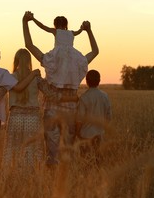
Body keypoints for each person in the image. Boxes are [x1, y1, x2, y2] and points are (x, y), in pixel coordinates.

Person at [0, 49, 77, 175]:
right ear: (29, 61)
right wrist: (72, 98)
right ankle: (31, 180)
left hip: (15, 118)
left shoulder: (10, 78)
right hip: (33, 118)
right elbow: (52, 96)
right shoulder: (37, 78)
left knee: (14, 150)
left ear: (16, 61)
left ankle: (13, 178)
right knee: (33, 151)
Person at [23, 11, 99, 166]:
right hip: (71, 109)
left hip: (51, 108)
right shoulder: (78, 59)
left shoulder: (51, 57)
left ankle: (52, 183)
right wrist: (88, 30)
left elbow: (29, 45)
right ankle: (67, 183)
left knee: (52, 153)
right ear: (67, 28)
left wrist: (25, 21)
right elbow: (95, 51)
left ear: (55, 29)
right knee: (68, 152)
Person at [29, 14, 87, 89]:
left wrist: (33, 19)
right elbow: (79, 32)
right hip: (71, 55)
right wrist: (82, 28)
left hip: (59, 54)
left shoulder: (56, 31)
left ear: (55, 24)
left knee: (55, 68)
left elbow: (43, 27)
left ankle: (57, 83)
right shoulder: (71, 33)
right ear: (66, 24)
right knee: (68, 70)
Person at [76, 70, 112, 165]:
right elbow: (108, 117)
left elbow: (80, 119)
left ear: (87, 81)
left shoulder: (84, 98)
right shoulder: (105, 96)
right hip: (99, 135)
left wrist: (77, 133)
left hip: (85, 136)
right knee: (98, 162)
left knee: (85, 162)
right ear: (99, 81)